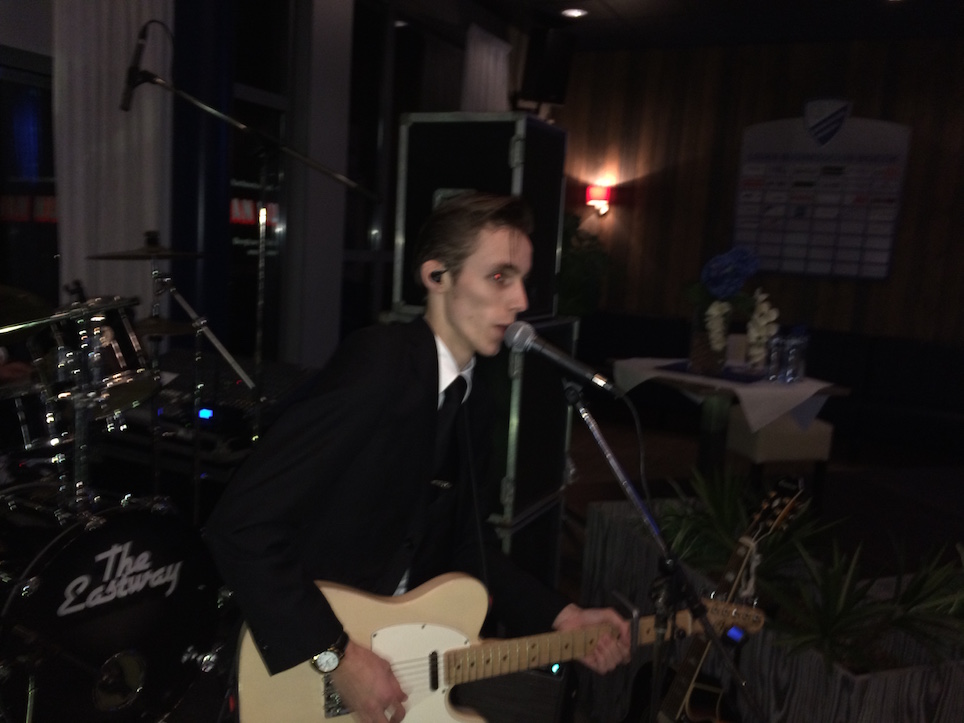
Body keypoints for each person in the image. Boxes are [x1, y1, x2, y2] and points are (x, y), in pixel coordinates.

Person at [203, 192, 630, 722]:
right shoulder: (381, 363)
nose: (520, 300)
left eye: (523, 280)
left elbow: (467, 546)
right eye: (499, 277)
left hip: (398, 659)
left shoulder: (473, 401)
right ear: (436, 276)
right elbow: (240, 524)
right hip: (313, 659)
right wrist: (335, 654)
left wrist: (563, 615)